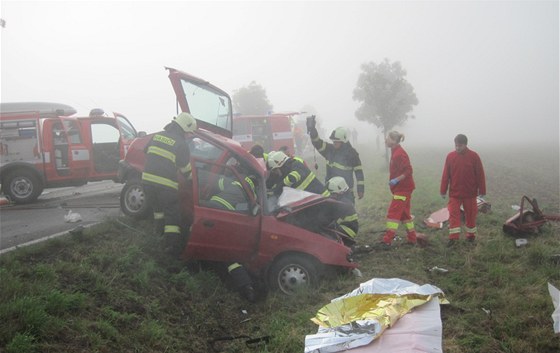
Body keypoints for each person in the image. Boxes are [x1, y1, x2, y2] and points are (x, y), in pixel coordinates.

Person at [141, 112, 196, 256]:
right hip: (166, 186)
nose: (190, 136)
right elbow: (186, 170)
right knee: (173, 216)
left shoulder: (158, 135)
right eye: (190, 133)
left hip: (147, 182)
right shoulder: (181, 144)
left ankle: (157, 236)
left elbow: (145, 150)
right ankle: (171, 248)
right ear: (184, 128)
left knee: (158, 211)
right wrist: (193, 181)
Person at [440, 134, 486, 245]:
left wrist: (482, 191)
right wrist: (443, 190)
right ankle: (453, 238)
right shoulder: (450, 157)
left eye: (460, 146)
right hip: (455, 193)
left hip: (470, 193)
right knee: (453, 215)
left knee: (471, 215)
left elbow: (480, 174)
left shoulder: (474, 156)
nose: (457, 148)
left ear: (465, 145)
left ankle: (471, 236)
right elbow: (446, 174)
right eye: (456, 145)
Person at [307, 116, 364, 204]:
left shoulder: (352, 154)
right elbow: (317, 142)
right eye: (333, 141)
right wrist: (313, 130)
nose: (333, 143)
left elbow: (359, 173)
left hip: (346, 193)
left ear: (343, 141)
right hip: (331, 192)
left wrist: (360, 189)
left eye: (336, 141)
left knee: (348, 214)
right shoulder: (329, 150)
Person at [381, 131, 418, 247]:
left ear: (393, 140)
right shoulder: (395, 152)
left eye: (388, 138)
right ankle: (412, 238)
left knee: (393, 214)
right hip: (401, 188)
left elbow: (408, 170)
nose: (385, 140)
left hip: (403, 189)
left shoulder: (399, 154)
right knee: (405, 215)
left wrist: (396, 180)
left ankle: (387, 240)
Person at [326, 176, 359, 246]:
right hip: (348, 227)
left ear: (340, 192)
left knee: (326, 231)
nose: (331, 196)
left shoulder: (342, 203)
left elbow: (330, 218)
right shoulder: (343, 199)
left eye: (333, 194)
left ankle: (345, 246)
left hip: (349, 230)